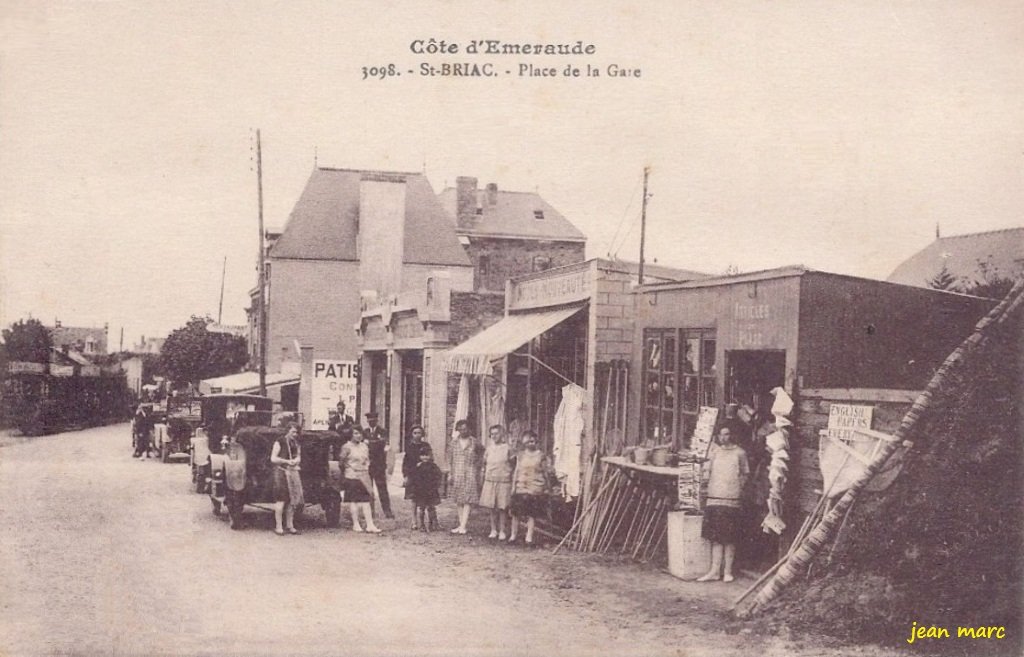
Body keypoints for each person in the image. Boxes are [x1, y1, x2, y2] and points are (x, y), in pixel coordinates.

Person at [697, 427, 750, 582]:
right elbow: (707, 472)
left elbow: (745, 474)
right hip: (714, 497)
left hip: (731, 499)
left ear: (732, 435)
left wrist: (737, 488)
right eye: (721, 434)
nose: (724, 437)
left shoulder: (740, 453)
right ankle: (714, 571)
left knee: (730, 537)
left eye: (727, 434)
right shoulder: (715, 452)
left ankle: (727, 571)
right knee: (716, 537)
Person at [339, 426, 381, 533]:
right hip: (352, 476)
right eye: (356, 433)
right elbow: (341, 462)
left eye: (360, 433)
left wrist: (365, 467)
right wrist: (349, 470)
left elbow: (367, 460)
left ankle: (370, 524)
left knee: (366, 500)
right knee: (354, 501)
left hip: (364, 474)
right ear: (351, 435)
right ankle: (356, 523)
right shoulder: (346, 447)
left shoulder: (364, 446)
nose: (359, 436)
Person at [509, 430, 549, 545]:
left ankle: (529, 537)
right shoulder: (520, 455)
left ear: (536, 441)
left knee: (531, 513)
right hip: (521, 486)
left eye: (532, 441)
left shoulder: (541, 455)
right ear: (524, 443)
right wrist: (513, 487)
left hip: (535, 487)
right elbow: (516, 471)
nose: (530, 444)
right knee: (516, 513)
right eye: (527, 442)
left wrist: (547, 486)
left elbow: (545, 472)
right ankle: (513, 535)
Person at [480, 424, 515, 540]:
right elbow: (484, 464)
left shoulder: (508, 448)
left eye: (497, 433)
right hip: (490, 480)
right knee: (491, 507)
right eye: (492, 434)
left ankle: (502, 531)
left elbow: (513, 464)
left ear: (502, 434)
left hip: (504, 481)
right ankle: (493, 529)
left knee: (502, 507)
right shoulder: (489, 449)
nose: (494, 436)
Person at [447, 419, 481, 534]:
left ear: (469, 429)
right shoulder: (453, 443)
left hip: (470, 472)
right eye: (460, 429)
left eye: (465, 429)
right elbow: (450, 460)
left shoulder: (474, 442)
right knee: (459, 499)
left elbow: (482, 454)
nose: (463, 431)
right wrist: (450, 474)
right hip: (457, 472)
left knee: (468, 499)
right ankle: (461, 525)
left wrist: (477, 465)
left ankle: (463, 525)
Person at [270, 422, 304, 536]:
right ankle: (279, 526)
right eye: (293, 432)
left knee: (292, 500)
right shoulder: (279, 441)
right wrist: (286, 461)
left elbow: (298, 456)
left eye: (296, 432)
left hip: (293, 472)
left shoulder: (296, 443)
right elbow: (273, 458)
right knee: (281, 499)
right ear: (287, 431)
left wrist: (296, 461)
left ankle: (290, 525)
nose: (295, 434)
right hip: (281, 472)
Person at [365, 412, 393, 519]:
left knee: (382, 489)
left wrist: (371, 443)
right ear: (367, 421)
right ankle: (370, 511)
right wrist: (375, 443)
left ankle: (387, 511)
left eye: (373, 419)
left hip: (379, 465)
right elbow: (363, 445)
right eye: (369, 419)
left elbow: (383, 444)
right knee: (369, 489)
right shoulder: (365, 431)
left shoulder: (383, 431)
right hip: (368, 465)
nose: (371, 421)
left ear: (377, 420)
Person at [407, 444, 442, 532]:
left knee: (431, 508)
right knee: (421, 508)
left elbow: (438, 476)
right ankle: (422, 524)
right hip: (421, 491)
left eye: (427, 455)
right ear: (420, 456)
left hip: (431, 490)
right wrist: (416, 488)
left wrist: (435, 486)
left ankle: (431, 524)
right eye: (423, 455)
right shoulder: (418, 467)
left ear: (430, 456)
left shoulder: (434, 466)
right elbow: (414, 478)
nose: (425, 457)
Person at [402, 425, 429, 528]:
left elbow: (430, 458)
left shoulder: (426, 445)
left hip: (424, 475)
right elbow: (406, 463)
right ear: (412, 434)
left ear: (422, 434)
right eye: (415, 433)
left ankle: (425, 520)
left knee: (424, 498)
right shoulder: (409, 447)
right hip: (413, 475)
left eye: (419, 433)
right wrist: (406, 476)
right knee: (413, 499)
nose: (417, 435)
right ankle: (414, 521)